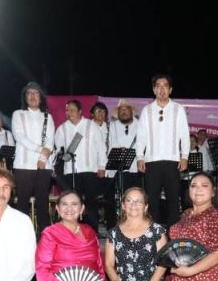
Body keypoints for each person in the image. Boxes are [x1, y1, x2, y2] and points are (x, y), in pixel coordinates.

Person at [137, 74, 190, 226]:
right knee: (152, 199)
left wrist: (184, 156)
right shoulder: (147, 110)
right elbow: (141, 136)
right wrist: (140, 157)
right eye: (158, 86)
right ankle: (153, 234)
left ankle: (173, 234)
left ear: (170, 89)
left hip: (172, 161)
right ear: (154, 90)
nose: (161, 89)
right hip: (151, 161)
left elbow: (184, 134)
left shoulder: (178, 109)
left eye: (165, 86)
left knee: (173, 198)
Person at [54, 99, 106, 231]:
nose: (69, 112)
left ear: (80, 111)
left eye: (72, 109)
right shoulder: (62, 129)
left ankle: (92, 231)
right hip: (71, 172)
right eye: (67, 110)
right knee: (73, 203)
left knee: (91, 202)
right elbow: (57, 151)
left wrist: (102, 166)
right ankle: (73, 231)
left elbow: (100, 146)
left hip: (90, 169)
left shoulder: (91, 125)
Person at [10, 82, 55, 233]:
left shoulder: (47, 116)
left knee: (43, 202)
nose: (32, 96)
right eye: (29, 94)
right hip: (23, 165)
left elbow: (50, 140)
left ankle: (46, 237)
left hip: (43, 165)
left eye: (36, 93)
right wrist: (39, 149)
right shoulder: (18, 114)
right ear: (25, 97)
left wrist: (42, 159)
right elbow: (19, 136)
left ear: (40, 98)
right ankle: (22, 235)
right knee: (22, 202)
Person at [104, 99, 142, 229]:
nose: (124, 112)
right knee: (119, 199)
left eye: (126, 109)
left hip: (136, 169)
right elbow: (110, 145)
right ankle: (118, 227)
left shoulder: (141, 125)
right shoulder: (112, 126)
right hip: (119, 169)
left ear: (131, 111)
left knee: (136, 198)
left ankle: (136, 225)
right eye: (121, 110)